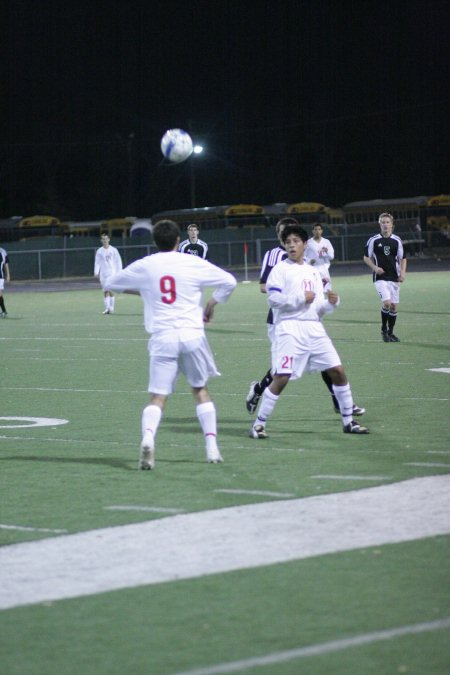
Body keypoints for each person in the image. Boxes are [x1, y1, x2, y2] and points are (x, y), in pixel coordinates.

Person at [104, 219, 237, 469]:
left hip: (162, 337)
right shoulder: (193, 262)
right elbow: (229, 281)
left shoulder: (147, 264)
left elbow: (110, 284)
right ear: (179, 240)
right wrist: (211, 303)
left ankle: (148, 438)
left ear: (155, 241)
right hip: (191, 336)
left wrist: (145, 290)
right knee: (200, 391)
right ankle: (212, 448)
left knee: (158, 397)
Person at [250, 223, 369, 439]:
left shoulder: (314, 272)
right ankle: (258, 424)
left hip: (314, 328)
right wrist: (299, 299)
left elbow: (319, 308)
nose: (291, 246)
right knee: (282, 377)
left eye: (296, 241)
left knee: (338, 371)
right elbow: (274, 299)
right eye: (288, 242)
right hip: (289, 328)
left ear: (305, 245)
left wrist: (332, 303)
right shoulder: (280, 270)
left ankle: (348, 421)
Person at [363, 212, 407, 343]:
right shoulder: (373, 240)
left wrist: (403, 273)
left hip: (394, 277)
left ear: (392, 225)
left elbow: (403, 258)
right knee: (387, 303)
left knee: (393, 306)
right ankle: (384, 330)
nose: (385, 225)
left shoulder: (397, 240)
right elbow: (366, 257)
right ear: (379, 224)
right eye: (383, 222)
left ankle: (391, 333)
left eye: (388, 222)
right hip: (380, 277)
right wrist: (375, 268)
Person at [94, 232, 123, 314]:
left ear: (109, 239)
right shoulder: (99, 251)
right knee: (105, 290)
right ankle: (107, 308)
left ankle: (111, 307)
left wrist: (119, 271)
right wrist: (96, 271)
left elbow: (118, 261)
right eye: (103, 239)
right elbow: (97, 262)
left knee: (110, 289)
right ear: (101, 240)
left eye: (106, 239)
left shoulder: (114, 250)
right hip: (103, 273)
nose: (105, 240)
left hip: (112, 273)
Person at [303, 223, 334, 292]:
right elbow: (303, 256)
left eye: (319, 229)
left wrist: (326, 252)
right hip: (312, 270)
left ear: (322, 231)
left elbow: (331, 256)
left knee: (327, 291)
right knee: (313, 291)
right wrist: (309, 261)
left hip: (324, 270)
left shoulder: (326, 242)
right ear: (312, 231)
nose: (317, 231)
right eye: (315, 229)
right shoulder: (308, 243)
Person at [0, 246, 10, 317]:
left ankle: (4, 311)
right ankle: (4, 311)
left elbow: (6, 264)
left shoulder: (2, 251)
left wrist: (8, 275)